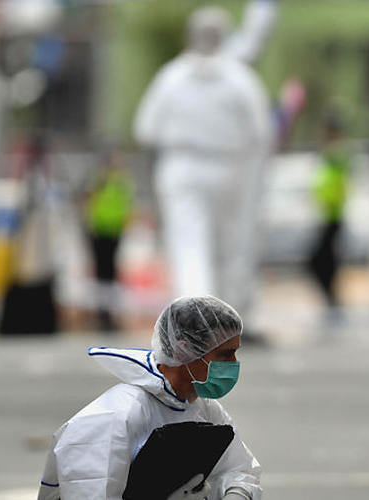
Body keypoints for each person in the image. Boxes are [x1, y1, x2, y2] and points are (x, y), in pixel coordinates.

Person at [133, 0, 277, 330]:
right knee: (230, 246)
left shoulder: (171, 77)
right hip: (230, 168)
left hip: (182, 167)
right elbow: (262, 132)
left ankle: (194, 321)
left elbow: (146, 129)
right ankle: (229, 320)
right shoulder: (241, 79)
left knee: (189, 245)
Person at [38, 296, 261, 500]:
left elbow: (239, 470)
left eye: (235, 353)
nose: (233, 363)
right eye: (224, 354)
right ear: (184, 350)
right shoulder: (113, 418)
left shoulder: (203, 409)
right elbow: (91, 492)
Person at [83, 148, 135, 332]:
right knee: (103, 274)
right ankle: (102, 314)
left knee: (109, 274)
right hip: (100, 232)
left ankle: (108, 314)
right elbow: (90, 204)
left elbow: (126, 206)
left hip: (112, 232)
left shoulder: (117, 182)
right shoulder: (102, 181)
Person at [306, 114, 350, 312]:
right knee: (325, 260)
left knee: (321, 260)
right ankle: (331, 298)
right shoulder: (330, 154)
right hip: (326, 214)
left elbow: (336, 178)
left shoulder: (336, 153)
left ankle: (332, 298)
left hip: (333, 215)